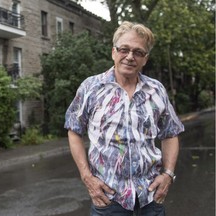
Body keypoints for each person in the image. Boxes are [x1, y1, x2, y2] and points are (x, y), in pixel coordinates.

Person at [64, 21, 184, 216]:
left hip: (151, 196)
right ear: (113, 52)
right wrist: (87, 177)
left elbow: (170, 133)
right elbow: (74, 130)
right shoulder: (91, 88)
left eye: (138, 52)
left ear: (145, 59)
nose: (130, 57)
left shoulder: (156, 90)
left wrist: (168, 174)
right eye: (124, 49)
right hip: (109, 198)